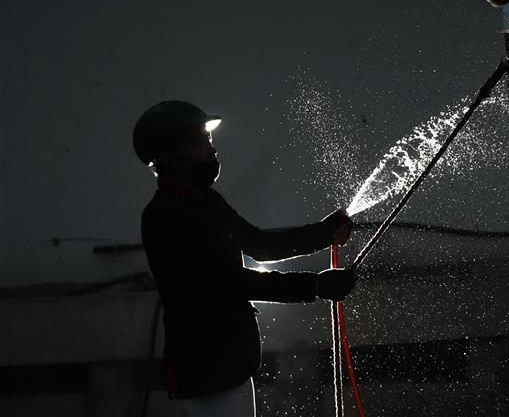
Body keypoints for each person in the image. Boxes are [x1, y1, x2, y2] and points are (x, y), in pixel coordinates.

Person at [133, 100, 355, 417]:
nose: (211, 149)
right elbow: (229, 283)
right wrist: (315, 285)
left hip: (232, 365)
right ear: (168, 157)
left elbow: (259, 244)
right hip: (206, 370)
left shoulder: (206, 201)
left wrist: (323, 233)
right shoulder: (165, 216)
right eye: (198, 142)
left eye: (208, 138)